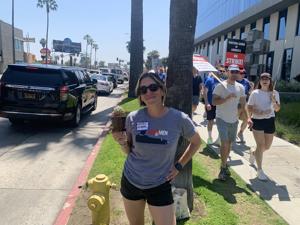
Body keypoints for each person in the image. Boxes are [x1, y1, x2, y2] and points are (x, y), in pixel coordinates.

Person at [113, 72, 201, 225]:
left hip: (159, 185)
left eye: (153, 87)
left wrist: (179, 165)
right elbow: (129, 151)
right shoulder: (132, 118)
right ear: (140, 96)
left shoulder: (179, 119)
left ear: (162, 90)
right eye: (143, 90)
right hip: (131, 181)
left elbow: (196, 142)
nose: (148, 92)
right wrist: (122, 142)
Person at [212, 64, 247, 181]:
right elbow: (214, 102)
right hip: (222, 119)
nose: (234, 73)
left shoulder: (241, 87)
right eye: (232, 71)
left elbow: (243, 103)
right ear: (227, 72)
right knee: (225, 143)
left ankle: (225, 163)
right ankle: (222, 168)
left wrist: (247, 117)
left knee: (230, 144)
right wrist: (226, 98)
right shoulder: (220, 86)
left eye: (236, 71)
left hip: (234, 120)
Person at [247, 72, 280, 181]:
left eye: (267, 79)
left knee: (267, 146)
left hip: (270, 121)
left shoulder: (275, 93)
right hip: (258, 121)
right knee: (260, 145)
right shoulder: (255, 93)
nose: (265, 81)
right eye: (262, 79)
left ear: (270, 81)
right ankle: (259, 170)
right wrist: (258, 112)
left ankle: (253, 153)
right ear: (260, 81)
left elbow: (277, 109)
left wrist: (274, 100)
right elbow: (249, 107)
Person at [203, 72, 221, 145]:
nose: (221, 72)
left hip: (220, 105)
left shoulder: (222, 81)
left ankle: (219, 139)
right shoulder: (210, 80)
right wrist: (207, 103)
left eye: (223, 71)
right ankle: (209, 137)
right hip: (211, 104)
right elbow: (205, 92)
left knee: (220, 122)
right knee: (210, 121)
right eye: (219, 71)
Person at [236, 69, 252, 143]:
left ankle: (240, 132)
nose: (242, 74)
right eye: (241, 73)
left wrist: (251, 91)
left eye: (244, 73)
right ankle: (233, 134)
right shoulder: (234, 81)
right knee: (235, 120)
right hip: (236, 103)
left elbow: (249, 91)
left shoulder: (246, 82)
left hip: (245, 103)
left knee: (246, 119)